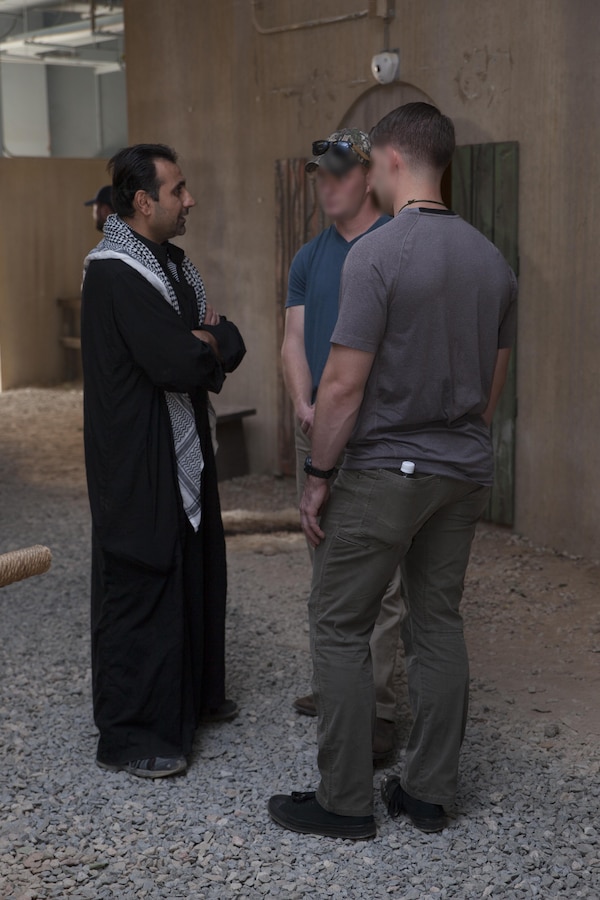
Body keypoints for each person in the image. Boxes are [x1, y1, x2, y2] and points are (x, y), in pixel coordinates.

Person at [269, 102, 517, 839]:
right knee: (437, 619)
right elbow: (490, 393)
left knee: (338, 621)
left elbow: (341, 387)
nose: (370, 173)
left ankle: (345, 801)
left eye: (373, 162)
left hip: (386, 470)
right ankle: (430, 793)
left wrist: (318, 475)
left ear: (395, 161)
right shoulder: (493, 261)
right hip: (463, 471)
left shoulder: (377, 255)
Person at [81, 144, 246, 779]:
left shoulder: (171, 264)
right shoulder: (117, 272)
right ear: (142, 201)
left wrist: (209, 339)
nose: (190, 200)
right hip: (136, 455)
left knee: (194, 563)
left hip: (182, 446)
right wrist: (205, 341)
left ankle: (192, 699)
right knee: (142, 575)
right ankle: (134, 733)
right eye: (178, 190)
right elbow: (180, 360)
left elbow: (224, 338)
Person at [281, 128, 403, 760]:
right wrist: (304, 402)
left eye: (337, 173)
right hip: (326, 433)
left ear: (368, 175)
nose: (326, 184)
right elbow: (293, 340)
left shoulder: (395, 245)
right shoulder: (310, 257)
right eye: (319, 175)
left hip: (380, 440)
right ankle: (337, 688)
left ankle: (379, 709)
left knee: (380, 587)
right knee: (324, 569)